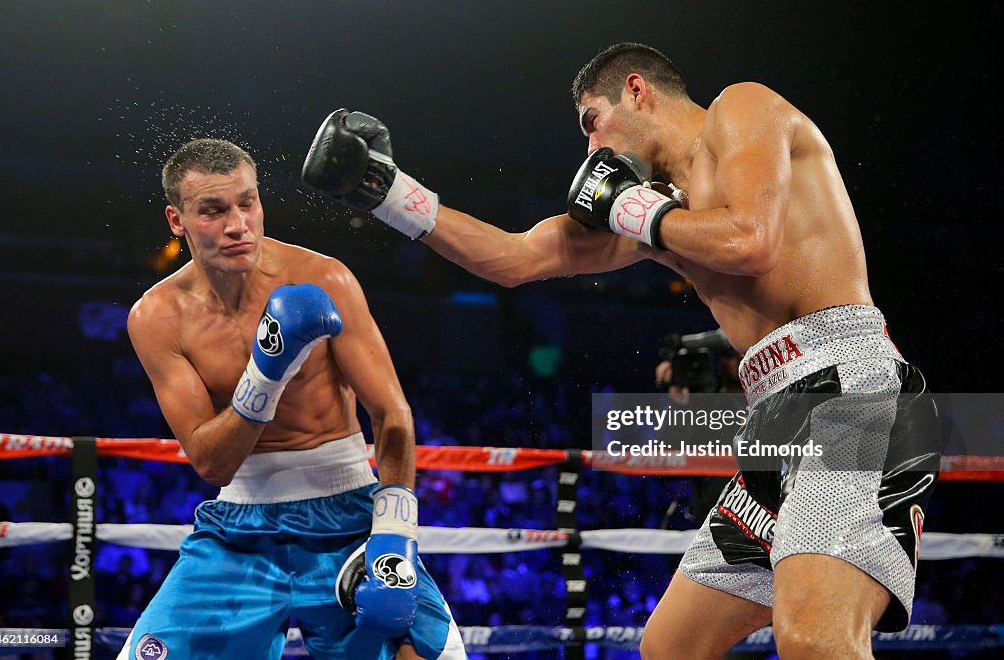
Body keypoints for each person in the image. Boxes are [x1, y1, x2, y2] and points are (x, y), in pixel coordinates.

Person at [301, 42, 940, 660]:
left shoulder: (740, 110)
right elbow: (517, 259)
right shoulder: (658, 211)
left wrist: (637, 212)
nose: (591, 148)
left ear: (637, 91)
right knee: (672, 646)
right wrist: (385, 191)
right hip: (775, 415)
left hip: (852, 389)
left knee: (814, 640)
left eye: (593, 122)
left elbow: (752, 241)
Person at [122, 138, 464, 660]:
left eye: (247, 203)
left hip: (348, 513)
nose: (237, 224)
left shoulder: (322, 277)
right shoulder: (157, 318)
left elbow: (391, 413)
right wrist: (268, 370)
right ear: (177, 220)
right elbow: (211, 463)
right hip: (240, 527)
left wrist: (394, 535)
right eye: (213, 211)